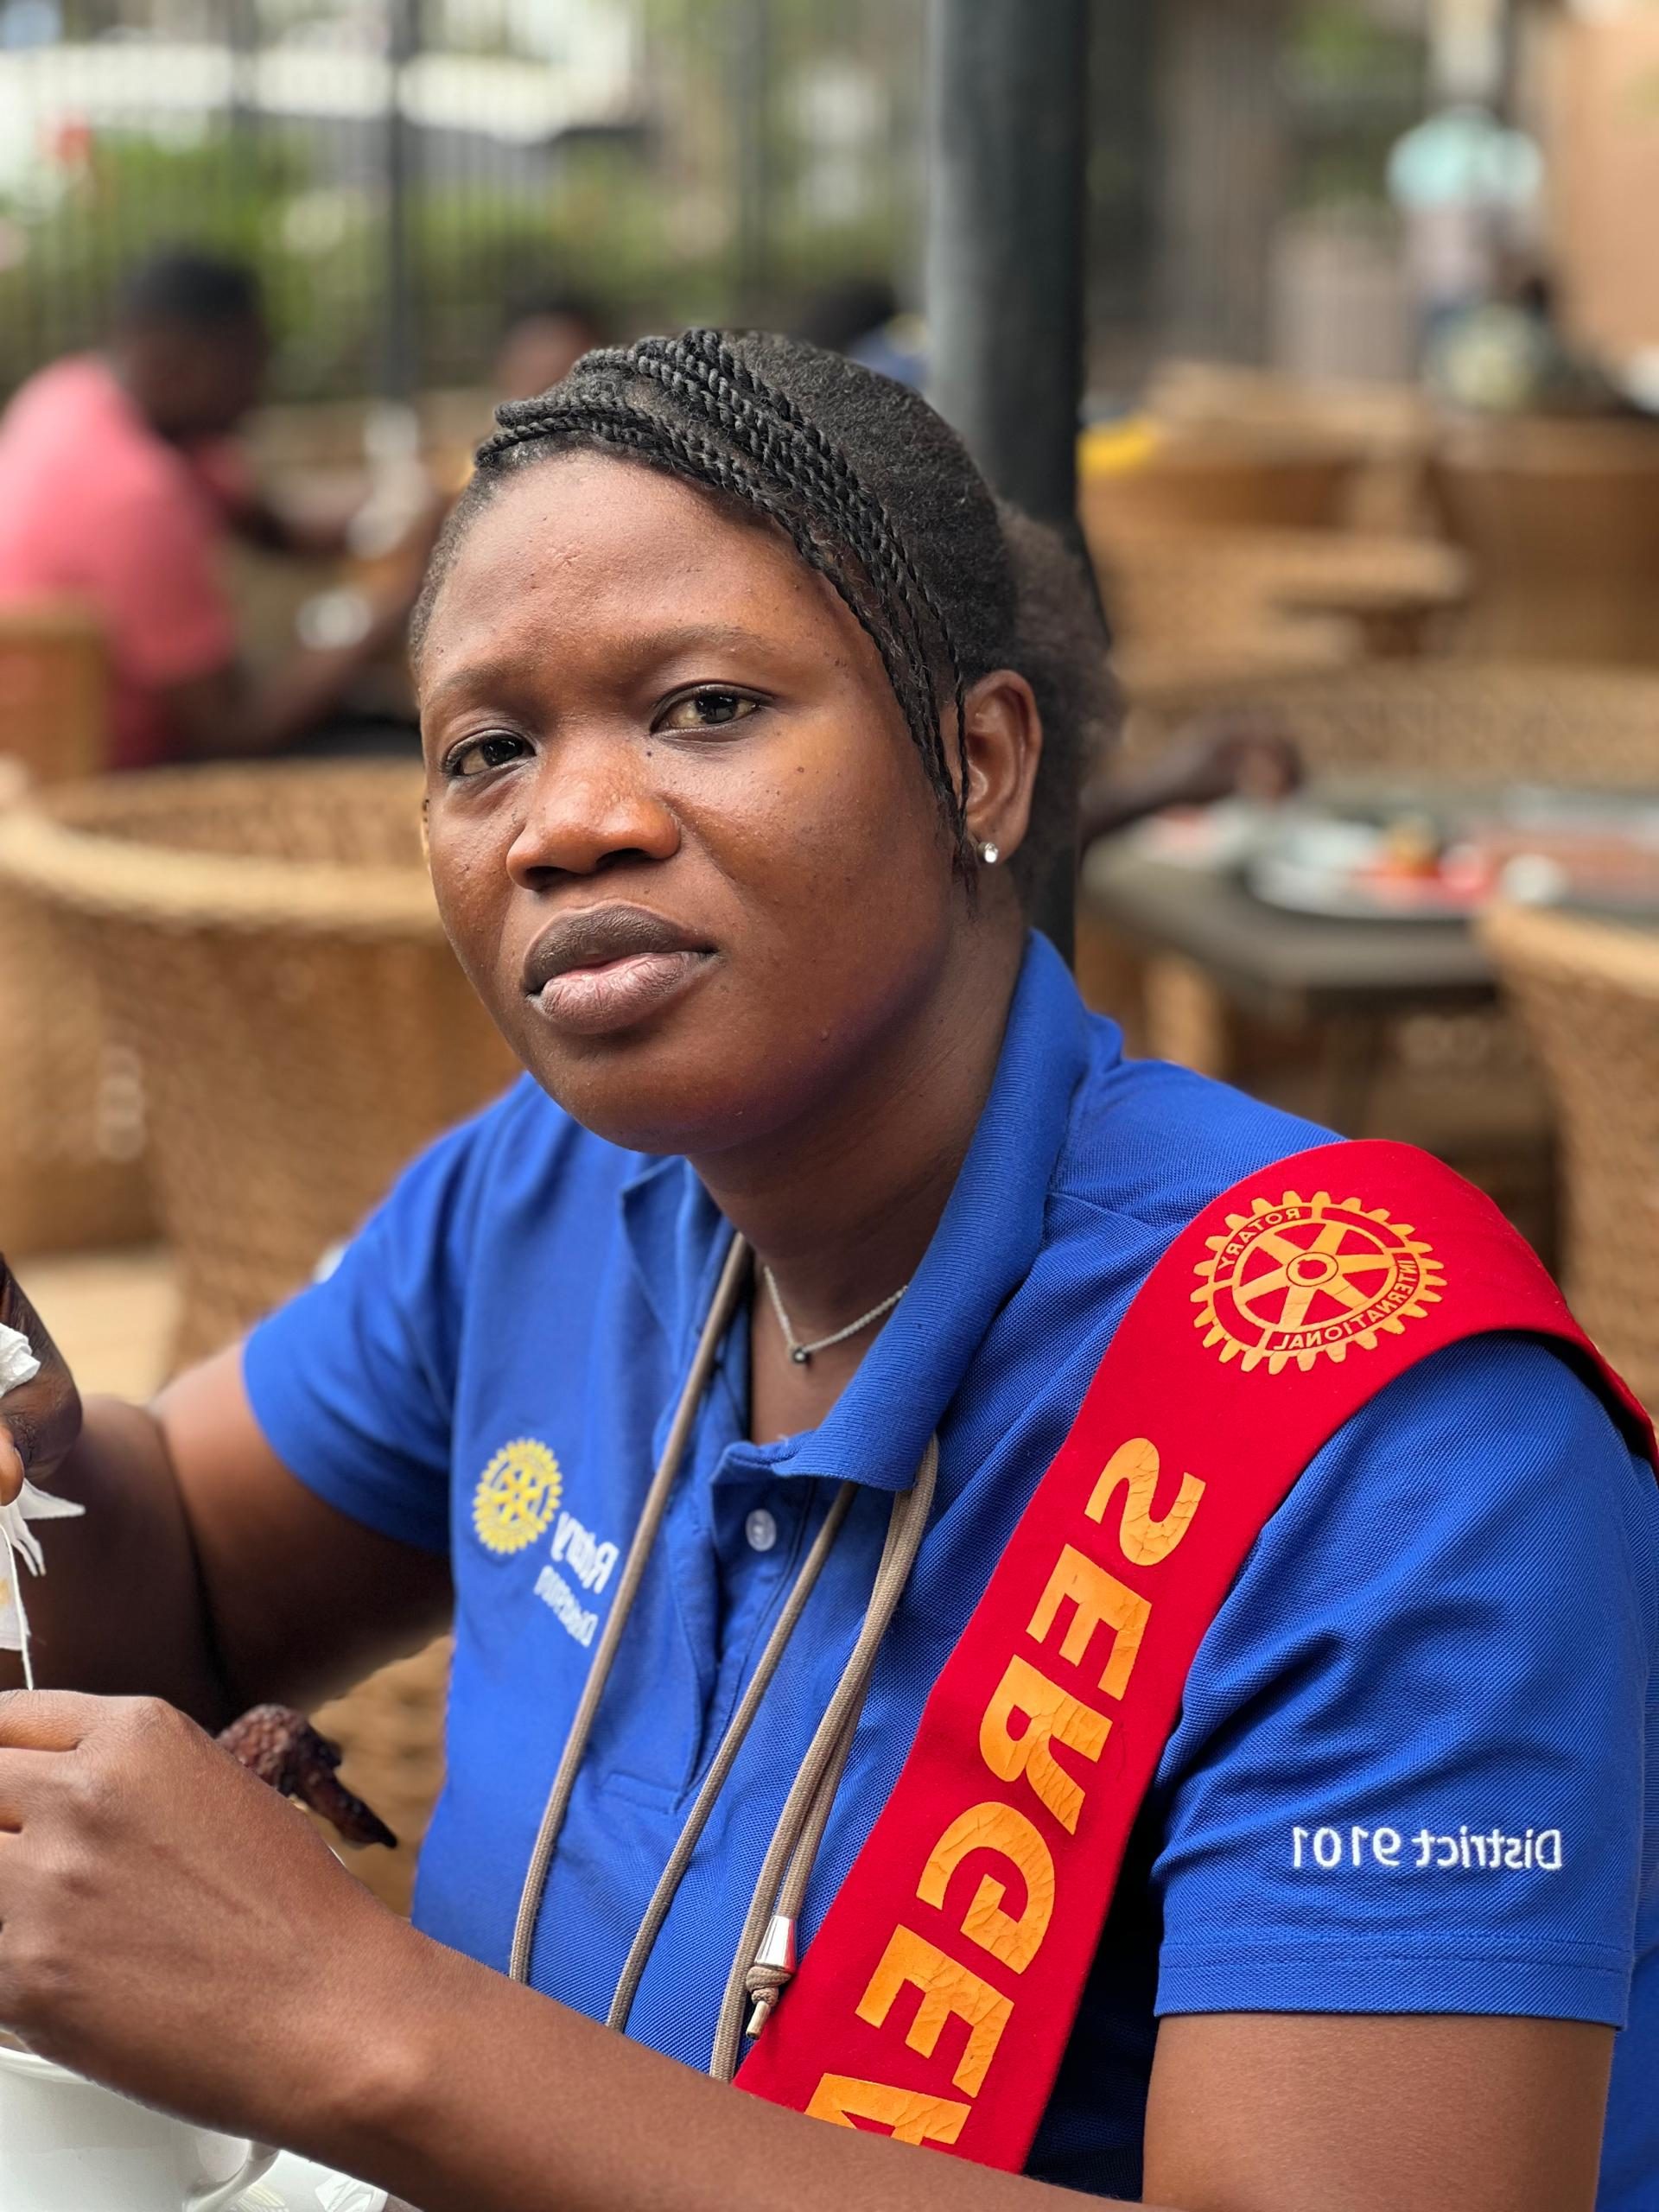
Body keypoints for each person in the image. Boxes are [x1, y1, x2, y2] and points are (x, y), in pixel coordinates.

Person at [0, 330, 1650, 2212]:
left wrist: (352, 2017)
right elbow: (173, 1575)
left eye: (704, 705)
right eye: (484, 750)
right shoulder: (542, 1200)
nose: (570, 819)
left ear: (982, 759)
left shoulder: (1396, 1436)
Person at [0, 250, 437, 770]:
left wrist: (413, 502)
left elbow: (275, 526)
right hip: (125, 777)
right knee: (411, 759)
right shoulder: (136, 494)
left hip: (95, 742)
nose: (258, 391)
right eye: (248, 364)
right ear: (176, 360)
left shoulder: (72, 392)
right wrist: (390, 603)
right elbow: (234, 732)